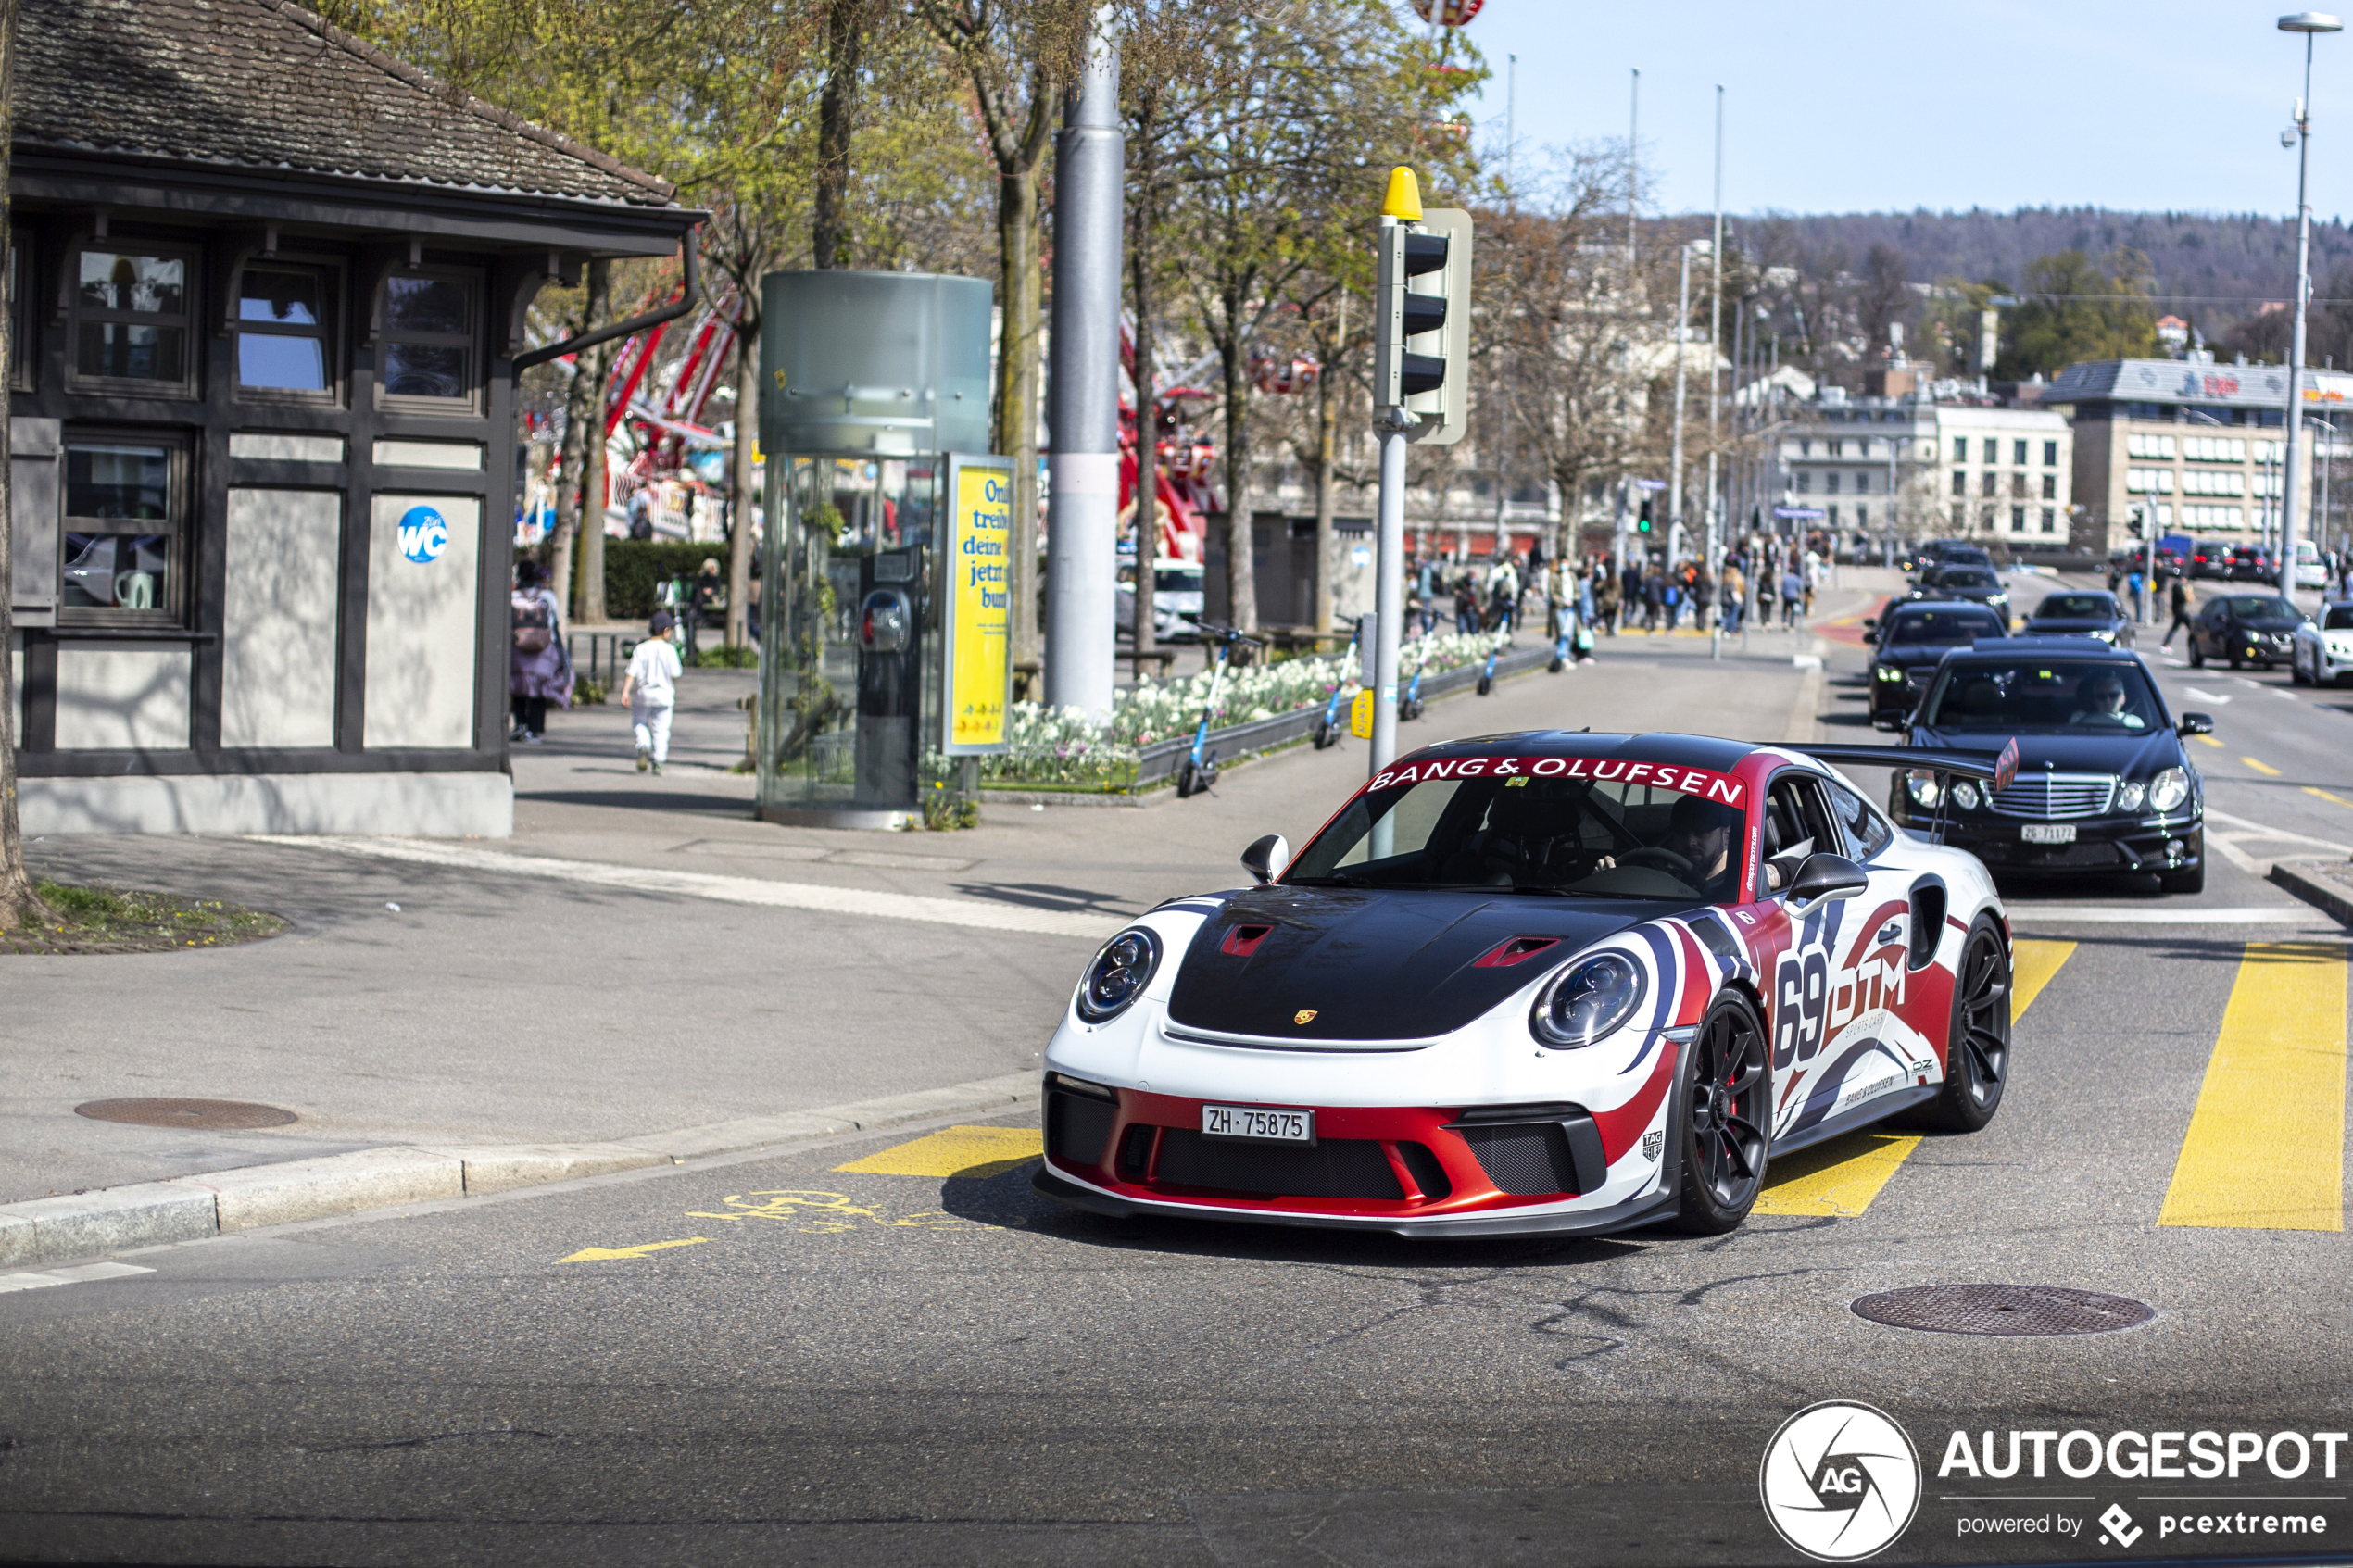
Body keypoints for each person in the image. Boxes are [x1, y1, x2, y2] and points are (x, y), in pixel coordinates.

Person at [508, 561, 571, 743]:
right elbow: (555, 622)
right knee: (540, 688)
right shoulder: (547, 596)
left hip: (518, 647)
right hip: (543, 649)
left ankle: (520, 725)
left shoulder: (514, 596)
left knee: (518, 687)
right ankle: (535, 730)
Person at [621, 611, 684, 773]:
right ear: (665, 630)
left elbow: (631, 672)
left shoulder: (641, 648)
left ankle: (643, 745)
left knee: (639, 722)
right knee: (661, 729)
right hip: (664, 695)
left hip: (644, 693)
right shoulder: (670, 650)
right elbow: (676, 673)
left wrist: (625, 692)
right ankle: (659, 761)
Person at [1660, 793, 1743, 903]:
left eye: (1702, 832)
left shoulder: (1741, 883)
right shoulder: (1666, 878)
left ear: (1727, 835)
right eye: (1682, 833)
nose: (1690, 842)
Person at [2161, 577, 2194, 647]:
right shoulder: (2178, 588)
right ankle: (2197, 640)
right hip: (2181, 612)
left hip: (2178, 612)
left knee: (2174, 628)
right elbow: (2182, 598)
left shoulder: (2177, 587)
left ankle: (2166, 643)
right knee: (2192, 627)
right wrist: (2187, 597)